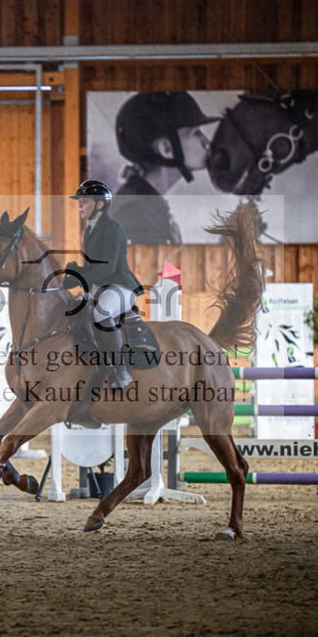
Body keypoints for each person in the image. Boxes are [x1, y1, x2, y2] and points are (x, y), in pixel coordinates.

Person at [63, 179, 143, 428]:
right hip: (102, 287)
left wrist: (80, 276)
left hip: (121, 286)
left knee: (99, 313)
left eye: (84, 201)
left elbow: (107, 266)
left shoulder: (112, 228)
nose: (80, 206)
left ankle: (121, 371)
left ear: (100, 204)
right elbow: (92, 267)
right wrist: (75, 272)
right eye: (79, 202)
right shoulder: (90, 230)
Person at [110, 91, 220, 244]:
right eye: (196, 133)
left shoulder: (145, 204)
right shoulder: (133, 213)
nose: (206, 142)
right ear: (166, 149)